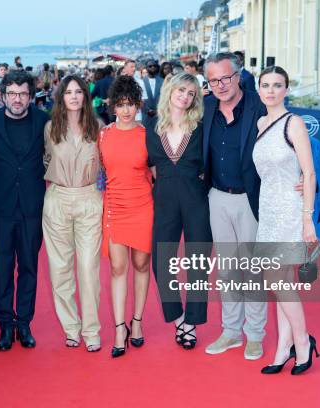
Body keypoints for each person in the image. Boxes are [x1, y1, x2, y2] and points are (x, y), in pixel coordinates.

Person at [202, 52, 268, 360]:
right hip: (217, 197)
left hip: (250, 198)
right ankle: (231, 332)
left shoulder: (259, 105)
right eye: (213, 79)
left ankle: (255, 334)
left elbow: (288, 139)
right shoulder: (204, 108)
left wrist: (299, 178)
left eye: (226, 77)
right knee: (227, 270)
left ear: (238, 76)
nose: (220, 85)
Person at [254, 66, 318, 375]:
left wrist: (308, 219)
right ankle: (283, 347)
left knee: (277, 281)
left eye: (277, 85)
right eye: (265, 85)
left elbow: (309, 172)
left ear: (286, 90)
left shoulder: (294, 124)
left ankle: (302, 342)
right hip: (267, 210)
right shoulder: (260, 123)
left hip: (290, 211)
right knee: (280, 284)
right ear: (259, 89)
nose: (270, 90)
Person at [146, 72, 212, 350]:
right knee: (162, 262)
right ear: (170, 91)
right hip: (163, 200)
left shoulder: (202, 125)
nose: (185, 97)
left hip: (196, 200)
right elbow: (146, 164)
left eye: (191, 93)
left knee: (198, 263)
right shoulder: (152, 126)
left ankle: (193, 324)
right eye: (181, 90)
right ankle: (178, 317)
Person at [0, 70, 48, 351]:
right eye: (12, 94)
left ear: (31, 96)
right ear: (2, 95)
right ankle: (5, 325)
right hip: (0, 206)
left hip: (33, 206)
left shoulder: (44, 122)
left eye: (23, 94)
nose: (17, 99)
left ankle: (24, 322)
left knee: (29, 267)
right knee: (1, 268)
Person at [42, 75, 102, 352]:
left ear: (85, 97)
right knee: (60, 269)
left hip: (90, 198)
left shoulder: (98, 127)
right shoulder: (50, 128)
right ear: (61, 97)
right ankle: (71, 328)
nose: (74, 97)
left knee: (88, 269)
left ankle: (91, 330)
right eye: (69, 92)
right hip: (58, 199)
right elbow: (46, 160)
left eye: (79, 92)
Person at [99, 76, 153, 358]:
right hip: (115, 208)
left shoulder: (147, 135)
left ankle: (138, 321)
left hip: (143, 206)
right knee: (118, 268)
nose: (126, 110)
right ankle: (120, 327)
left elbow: (157, 174)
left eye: (131, 104)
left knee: (141, 266)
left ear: (138, 105)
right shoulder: (104, 134)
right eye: (121, 105)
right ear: (113, 106)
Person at [140, 60, 163, 130]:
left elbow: (165, 98)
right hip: (145, 116)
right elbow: (139, 99)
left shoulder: (163, 81)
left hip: (159, 116)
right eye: (150, 66)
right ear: (146, 68)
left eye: (154, 66)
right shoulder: (141, 82)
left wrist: (158, 110)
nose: (152, 67)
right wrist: (147, 110)